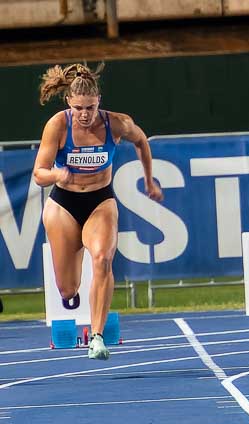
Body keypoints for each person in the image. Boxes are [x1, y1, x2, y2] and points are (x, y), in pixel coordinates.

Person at [30, 63, 162, 361]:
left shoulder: (116, 124)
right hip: (63, 203)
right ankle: (73, 290)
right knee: (67, 289)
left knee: (103, 258)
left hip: (100, 200)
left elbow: (141, 140)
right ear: (69, 103)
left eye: (90, 107)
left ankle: (97, 336)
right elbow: (39, 173)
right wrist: (57, 175)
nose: (85, 114)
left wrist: (149, 179)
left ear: (99, 101)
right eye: (79, 108)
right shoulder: (58, 125)